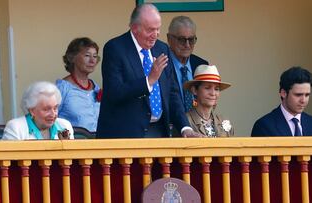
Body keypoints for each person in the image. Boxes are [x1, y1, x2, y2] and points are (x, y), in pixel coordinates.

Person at [96, 4, 200, 138]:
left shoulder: (162, 48)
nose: (155, 35)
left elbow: (172, 92)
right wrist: (149, 80)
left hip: (159, 131)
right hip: (125, 134)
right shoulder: (115, 48)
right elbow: (114, 92)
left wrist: (185, 127)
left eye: (158, 29)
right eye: (150, 30)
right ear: (134, 28)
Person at [251, 66, 312, 136]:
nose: (303, 100)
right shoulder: (264, 126)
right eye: (298, 95)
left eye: (307, 95)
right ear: (283, 93)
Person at [56, 37, 101, 132]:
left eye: (95, 56)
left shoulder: (96, 88)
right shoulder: (62, 88)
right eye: (87, 55)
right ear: (72, 58)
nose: (92, 61)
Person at [3, 81, 74, 140]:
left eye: (55, 108)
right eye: (46, 109)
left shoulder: (65, 126)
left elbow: (72, 155)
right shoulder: (16, 128)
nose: (53, 114)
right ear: (32, 111)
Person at [167, 16, 209, 112]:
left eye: (191, 39)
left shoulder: (201, 65)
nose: (187, 45)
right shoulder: (162, 65)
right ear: (169, 39)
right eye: (181, 39)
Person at [183, 64, 234, 137]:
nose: (213, 93)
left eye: (216, 89)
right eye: (207, 88)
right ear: (194, 90)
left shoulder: (223, 121)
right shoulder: (186, 121)